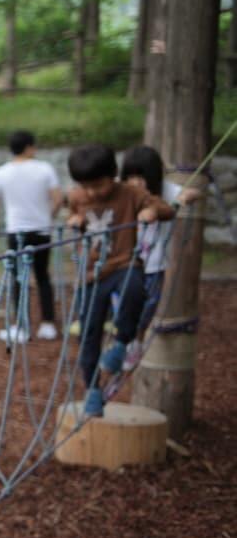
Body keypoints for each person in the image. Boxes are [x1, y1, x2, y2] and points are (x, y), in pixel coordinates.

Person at [64, 144, 174, 418]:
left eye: (98, 185)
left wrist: (150, 212)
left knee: (135, 292)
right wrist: (75, 218)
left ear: (114, 174)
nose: (92, 192)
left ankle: (122, 343)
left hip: (124, 263)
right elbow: (74, 211)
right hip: (91, 273)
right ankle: (92, 389)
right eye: (85, 186)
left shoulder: (131, 193)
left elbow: (166, 209)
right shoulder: (78, 196)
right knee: (88, 334)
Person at [118, 146, 201, 371]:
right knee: (124, 303)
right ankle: (122, 342)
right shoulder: (122, 193)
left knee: (149, 305)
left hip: (154, 263)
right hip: (125, 262)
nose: (136, 182)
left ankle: (135, 340)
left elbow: (194, 192)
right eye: (131, 176)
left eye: (141, 176)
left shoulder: (165, 191)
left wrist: (185, 196)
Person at [0, 130, 63, 343]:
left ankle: (21, 326)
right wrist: (49, 216)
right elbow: (57, 198)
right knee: (43, 276)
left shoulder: (1, 172)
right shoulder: (45, 169)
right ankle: (47, 324)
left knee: (19, 278)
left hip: (16, 231)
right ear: (29, 147)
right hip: (41, 230)